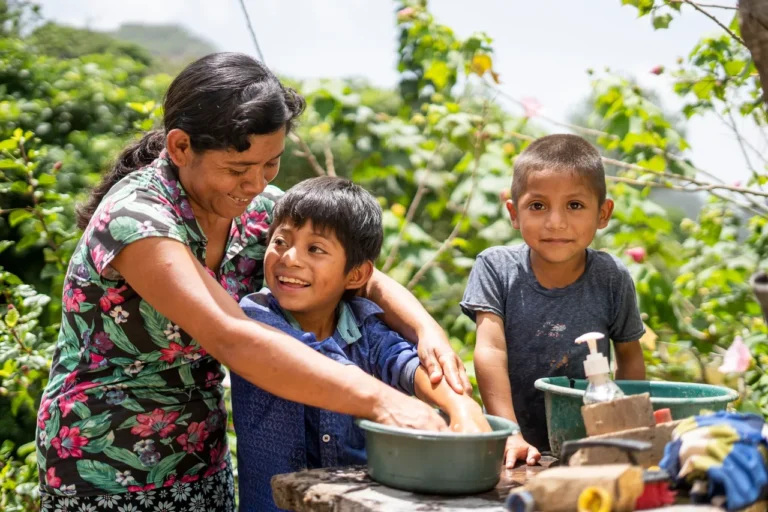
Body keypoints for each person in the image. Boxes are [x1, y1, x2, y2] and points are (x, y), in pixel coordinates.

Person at [35, 52, 470, 512]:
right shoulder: (137, 220)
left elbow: (362, 276)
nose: (256, 184)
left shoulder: (258, 210)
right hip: (101, 466)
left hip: (202, 460)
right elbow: (232, 338)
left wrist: (426, 330)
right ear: (181, 147)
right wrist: (383, 403)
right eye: (238, 169)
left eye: (271, 165)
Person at [231, 177, 491, 511]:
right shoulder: (256, 315)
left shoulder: (366, 325)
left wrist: (461, 407)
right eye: (280, 241)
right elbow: (312, 361)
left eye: (315, 249)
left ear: (356, 275)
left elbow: (407, 364)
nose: (290, 258)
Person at [460, 134, 647, 468]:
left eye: (574, 205)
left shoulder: (611, 277)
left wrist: (627, 430)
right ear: (514, 213)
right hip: (512, 450)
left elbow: (630, 357)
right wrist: (509, 432)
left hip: (590, 447)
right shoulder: (496, 267)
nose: (556, 222)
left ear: (603, 214)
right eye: (537, 206)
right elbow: (489, 350)